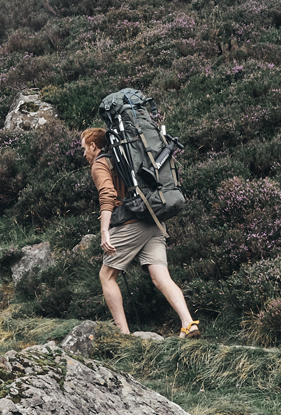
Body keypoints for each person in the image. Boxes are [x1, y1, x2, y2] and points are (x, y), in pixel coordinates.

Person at [82, 125, 198, 338]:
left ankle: (123, 334)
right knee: (161, 277)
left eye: (84, 148)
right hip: (154, 219)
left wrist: (104, 231)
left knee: (106, 276)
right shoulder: (127, 158)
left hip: (132, 224)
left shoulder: (100, 164)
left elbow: (107, 195)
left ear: (93, 145)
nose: (83, 154)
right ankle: (188, 323)